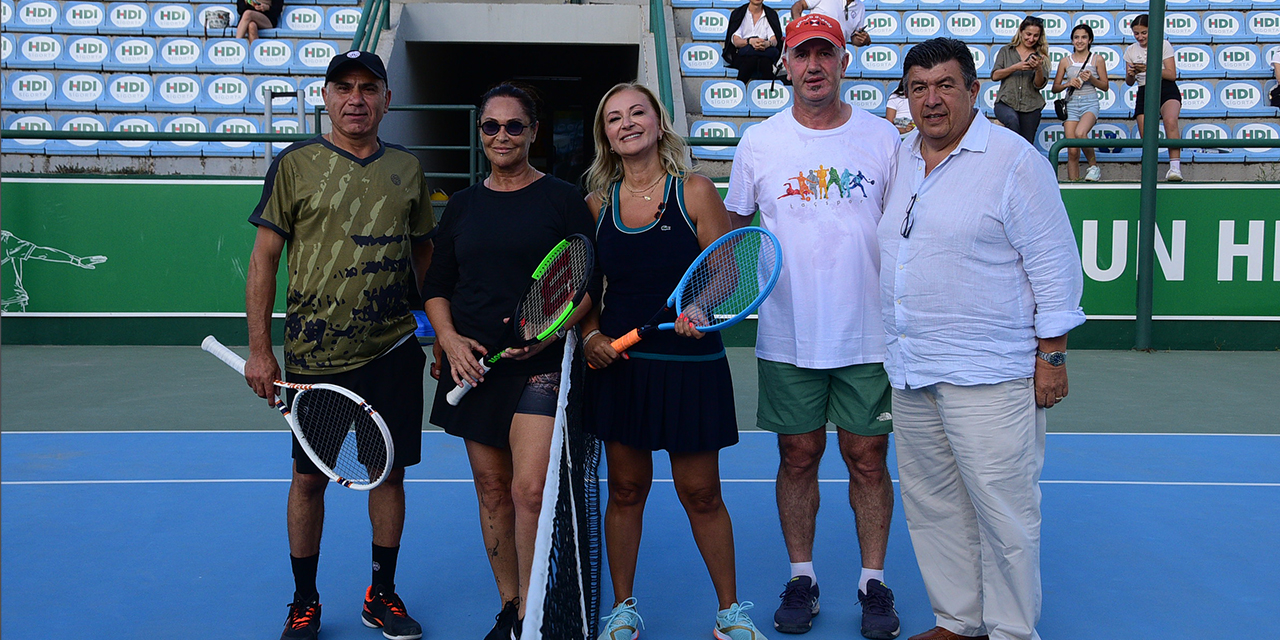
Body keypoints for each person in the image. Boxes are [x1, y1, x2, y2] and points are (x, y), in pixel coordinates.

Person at [876, 37, 1085, 640]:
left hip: (992, 371)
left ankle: (1012, 631)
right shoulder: (902, 157)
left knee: (1004, 512)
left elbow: (1055, 266)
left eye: (945, 85)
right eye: (918, 88)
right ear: (906, 97)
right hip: (914, 368)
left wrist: (1052, 356)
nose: (931, 100)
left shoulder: (1015, 162)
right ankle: (958, 621)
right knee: (934, 506)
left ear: (974, 90)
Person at [244, 51, 434, 640]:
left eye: (368, 88)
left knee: (390, 474)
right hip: (315, 358)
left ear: (386, 99)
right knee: (308, 480)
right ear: (326, 98)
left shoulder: (409, 168)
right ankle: (304, 602)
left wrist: (437, 326)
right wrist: (260, 349)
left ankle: (382, 594)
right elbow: (264, 260)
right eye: (344, 88)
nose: (356, 98)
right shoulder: (295, 165)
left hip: (394, 350)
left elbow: (423, 254)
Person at [724, 13, 901, 640]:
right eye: (802, 55)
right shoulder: (760, 143)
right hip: (787, 332)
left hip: (869, 332)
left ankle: (872, 582)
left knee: (868, 457)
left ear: (844, 61)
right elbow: (732, 238)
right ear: (786, 65)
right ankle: (803, 576)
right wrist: (710, 302)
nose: (814, 66)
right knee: (797, 455)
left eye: (826, 53)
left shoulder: (884, 140)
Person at [580, 82, 768, 640]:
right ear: (606, 137)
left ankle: (730, 613)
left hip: (691, 366)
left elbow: (728, 271)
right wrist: (590, 334)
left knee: (702, 493)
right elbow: (587, 290)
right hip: (624, 367)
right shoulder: (596, 204)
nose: (628, 123)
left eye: (638, 112)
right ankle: (623, 609)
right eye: (615, 118)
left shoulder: (695, 191)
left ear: (659, 124)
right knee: (625, 490)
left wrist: (703, 306)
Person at [422, 82, 596, 640]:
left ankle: (533, 612)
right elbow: (437, 286)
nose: (502, 135)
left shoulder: (562, 199)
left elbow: (590, 284)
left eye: (513, 126)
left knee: (530, 490)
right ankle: (511, 602)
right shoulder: (464, 205)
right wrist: (447, 340)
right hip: (472, 364)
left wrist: (549, 333)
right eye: (491, 126)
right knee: (492, 490)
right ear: (480, 134)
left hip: (539, 364)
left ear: (533, 132)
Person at [1125, 14, 1183, 181]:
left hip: (1166, 88)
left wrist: (1148, 68)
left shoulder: (1163, 45)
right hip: (1144, 89)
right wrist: (1131, 73)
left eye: (1144, 33)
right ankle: (1151, 172)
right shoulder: (1131, 50)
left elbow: (1171, 74)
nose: (1140, 37)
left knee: (1170, 121)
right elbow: (1129, 82)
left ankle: (1175, 167)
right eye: (1136, 33)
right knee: (1146, 133)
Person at [1052, 23, 1109, 182]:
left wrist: (1091, 78)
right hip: (1071, 105)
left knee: (1080, 134)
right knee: (1072, 151)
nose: (1080, 41)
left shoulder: (1097, 59)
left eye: (1084, 37)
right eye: (1076, 37)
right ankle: (1073, 184)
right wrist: (1067, 84)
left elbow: (1105, 86)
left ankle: (1093, 166)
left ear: (1090, 40)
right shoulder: (1065, 61)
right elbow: (1055, 88)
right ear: (1072, 40)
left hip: (1090, 102)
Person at [990, 16, 1049, 144]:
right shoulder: (1006, 51)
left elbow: (1039, 85)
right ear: (1021, 31)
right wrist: (1015, 68)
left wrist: (1038, 68)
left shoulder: (1041, 55)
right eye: (1028, 34)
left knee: (1027, 144)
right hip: (1006, 102)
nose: (1031, 39)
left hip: (1031, 105)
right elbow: (995, 76)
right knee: (1012, 121)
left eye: (1035, 36)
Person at [724, 0, 784, 84]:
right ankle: (740, 89)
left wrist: (767, 43)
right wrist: (750, 41)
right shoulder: (738, 13)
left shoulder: (771, 14)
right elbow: (736, 41)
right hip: (744, 54)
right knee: (752, 61)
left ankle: (739, 89)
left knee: (764, 62)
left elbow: (774, 39)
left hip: (764, 53)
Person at [790, 0, 870, 47]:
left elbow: (854, 38)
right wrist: (798, 24)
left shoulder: (860, 7)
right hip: (813, 44)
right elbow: (798, 5)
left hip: (836, 50)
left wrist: (863, 39)